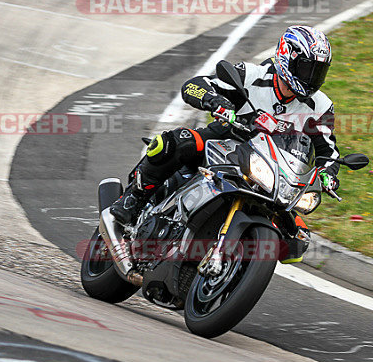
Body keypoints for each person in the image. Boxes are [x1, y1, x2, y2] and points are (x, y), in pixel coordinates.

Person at [109, 25, 341, 259]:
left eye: (318, 71)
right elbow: (193, 85)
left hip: (274, 171)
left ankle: (236, 265)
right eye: (306, 68)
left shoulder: (320, 106)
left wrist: (328, 174)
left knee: (297, 240)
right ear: (286, 57)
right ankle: (134, 199)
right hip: (226, 141)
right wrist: (216, 102)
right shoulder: (252, 76)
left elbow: (328, 151)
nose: (311, 78)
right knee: (171, 143)